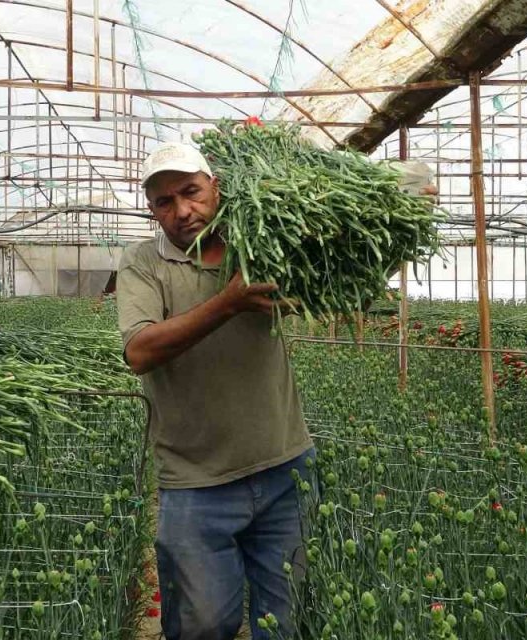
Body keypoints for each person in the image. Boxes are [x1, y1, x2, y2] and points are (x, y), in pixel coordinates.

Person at [116, 141, 314, 640]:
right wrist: (228, 303)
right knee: (202, 625)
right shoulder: (143, 263)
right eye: (164, 202)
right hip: (195, 483)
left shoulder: (263, 243)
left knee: (287, 621)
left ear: (216, 189)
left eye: (191, 192)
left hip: (285, 469)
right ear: (152, 210)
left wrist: (406, 207)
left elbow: (337, 272)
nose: (182, 210)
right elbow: (139, 350)